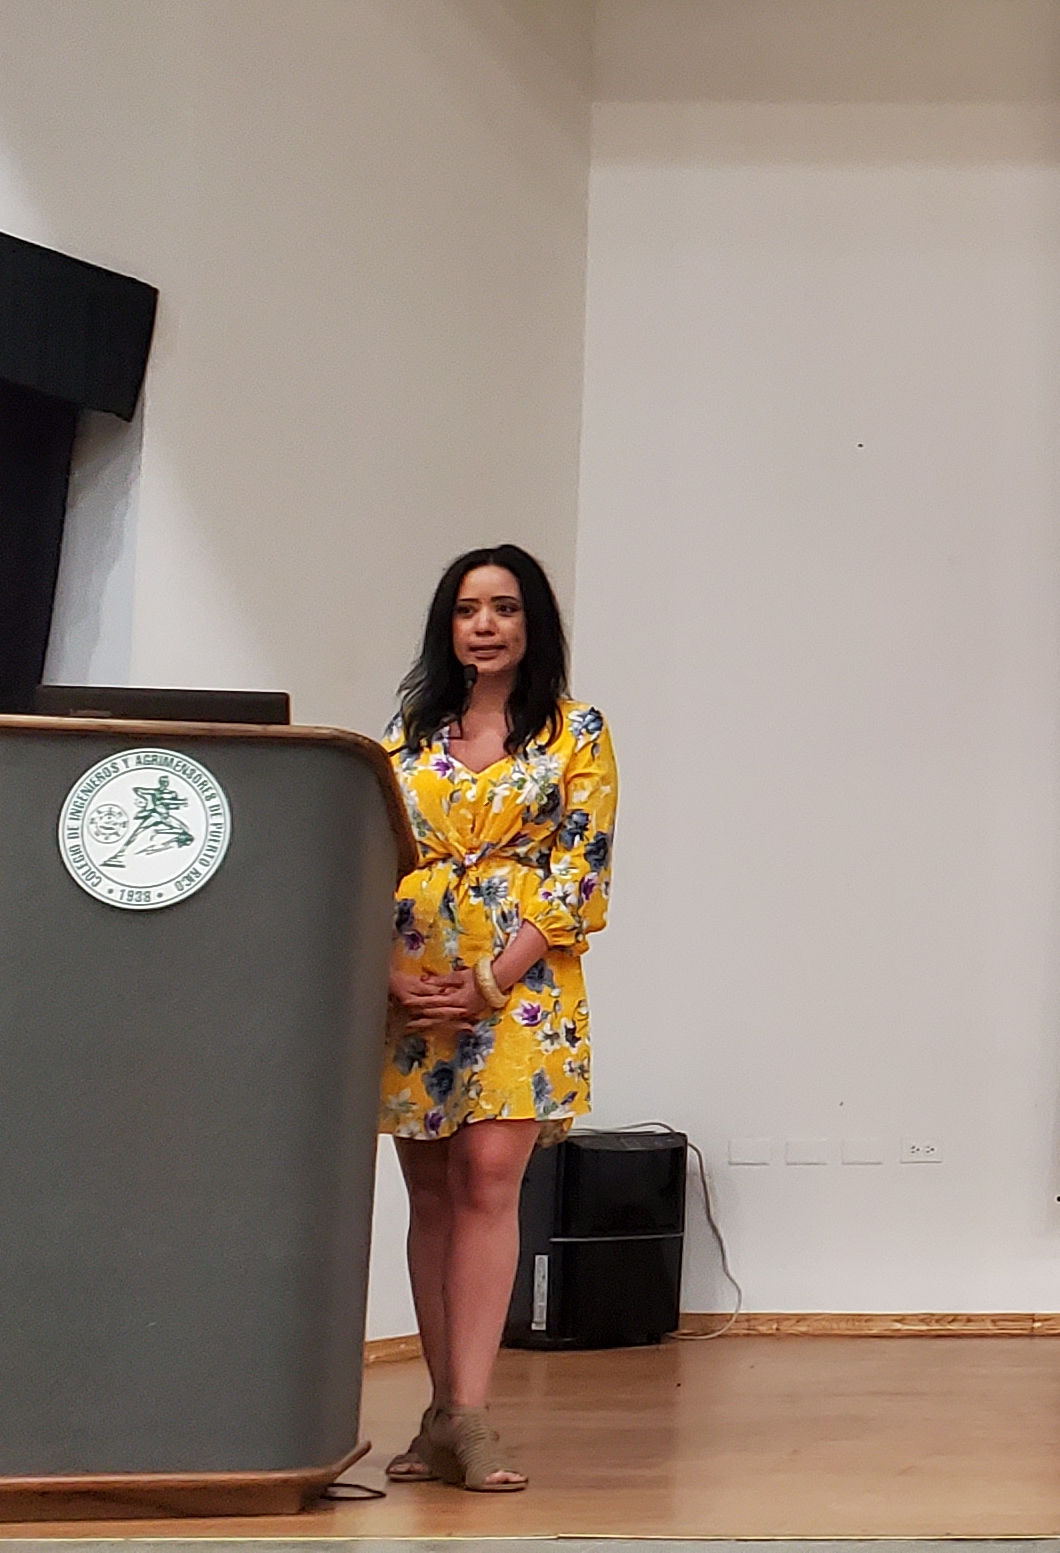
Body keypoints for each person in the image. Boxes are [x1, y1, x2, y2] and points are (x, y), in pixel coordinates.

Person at [379, 543, 614, 1494]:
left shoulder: (574, 730)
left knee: (486, 1176)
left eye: (505, 608)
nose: (485, 625)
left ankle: (471, 1415)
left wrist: (493, 976)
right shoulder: (404, 738)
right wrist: (388, 972)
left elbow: (582, 869)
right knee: (431, 1192)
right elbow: (364, 851)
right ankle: (440, 1413)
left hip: (523, 982)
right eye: (468, 609)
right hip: (415, 978)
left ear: (532, 623)